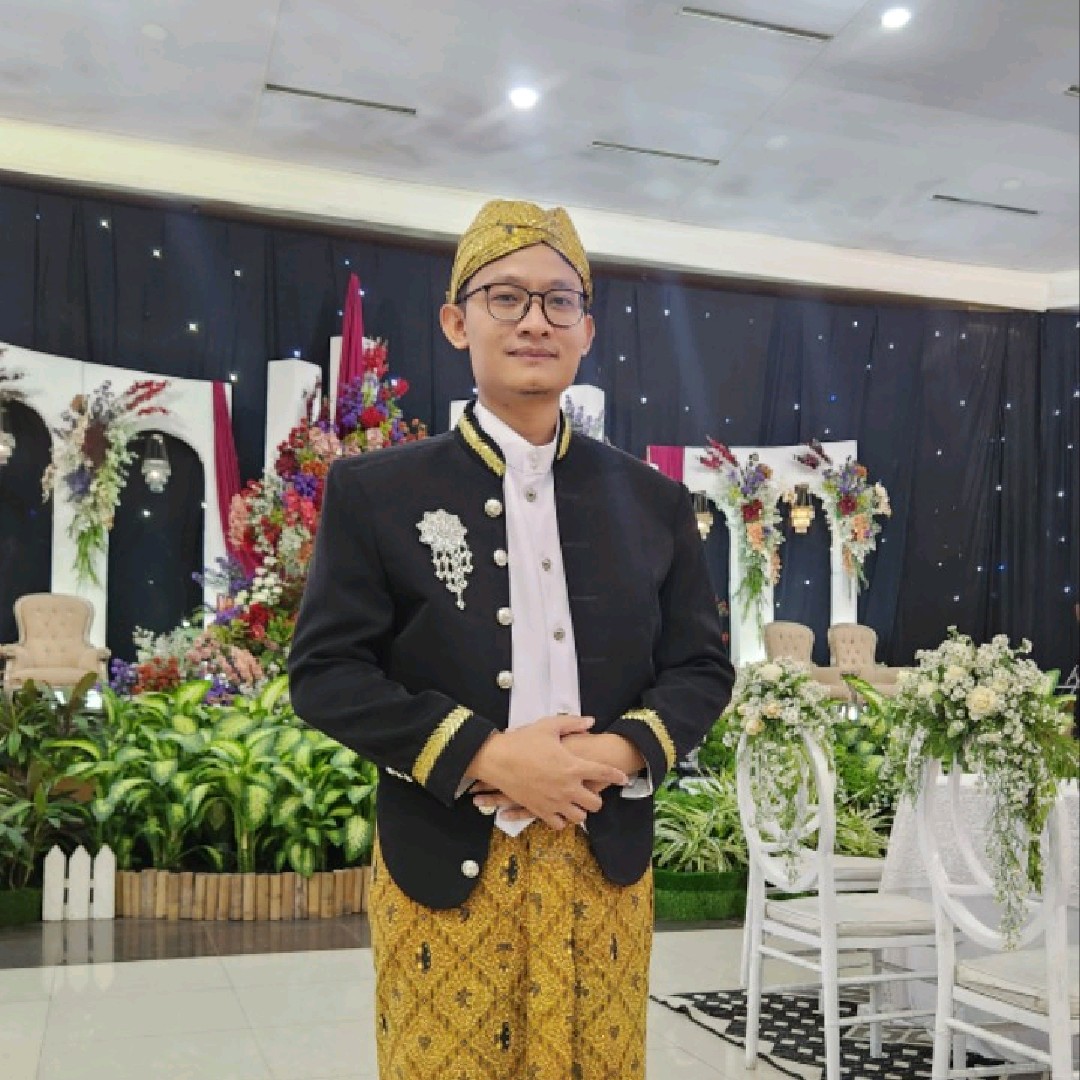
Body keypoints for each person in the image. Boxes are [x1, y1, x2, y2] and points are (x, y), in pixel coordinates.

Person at [287, 199, 734, 1079]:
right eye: (506, 297)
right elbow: (326, 673)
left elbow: (700, 667)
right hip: (446, 865)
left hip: (603, 860)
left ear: (586, 330)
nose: (535, 320)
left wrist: (615, 752)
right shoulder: (377, 491)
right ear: (458, 323)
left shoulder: (653, 501)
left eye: (560, 301)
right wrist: (488, 756)